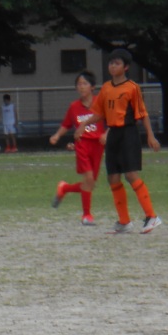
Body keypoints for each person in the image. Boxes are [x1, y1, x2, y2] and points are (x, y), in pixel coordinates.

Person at [74, 48, 162, 234]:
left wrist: (150, 135)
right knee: (113, 177)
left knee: (130, 174)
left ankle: (152, 216)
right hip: (113, 134)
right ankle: (124, 221)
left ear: (126, 67)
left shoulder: (132, 88)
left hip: (128, 133)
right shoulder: (106, 88)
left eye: (117, 63)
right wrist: (84, 124)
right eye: (111, 63)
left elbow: (142, 113)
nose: (112, 66)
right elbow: (99, 113)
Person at [49, 71, 105, 226]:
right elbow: (66, 124)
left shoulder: (100, 103)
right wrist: (57, 135)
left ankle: (64, 188)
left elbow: (111, 121)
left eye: (85, 83)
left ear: (92, 87)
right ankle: (86, 215)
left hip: (98, 146)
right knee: (88, 179)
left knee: (90, 183)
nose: (81, 87)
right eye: (79, 84)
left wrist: (106, 134)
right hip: (82, 144)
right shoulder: (74, 107)